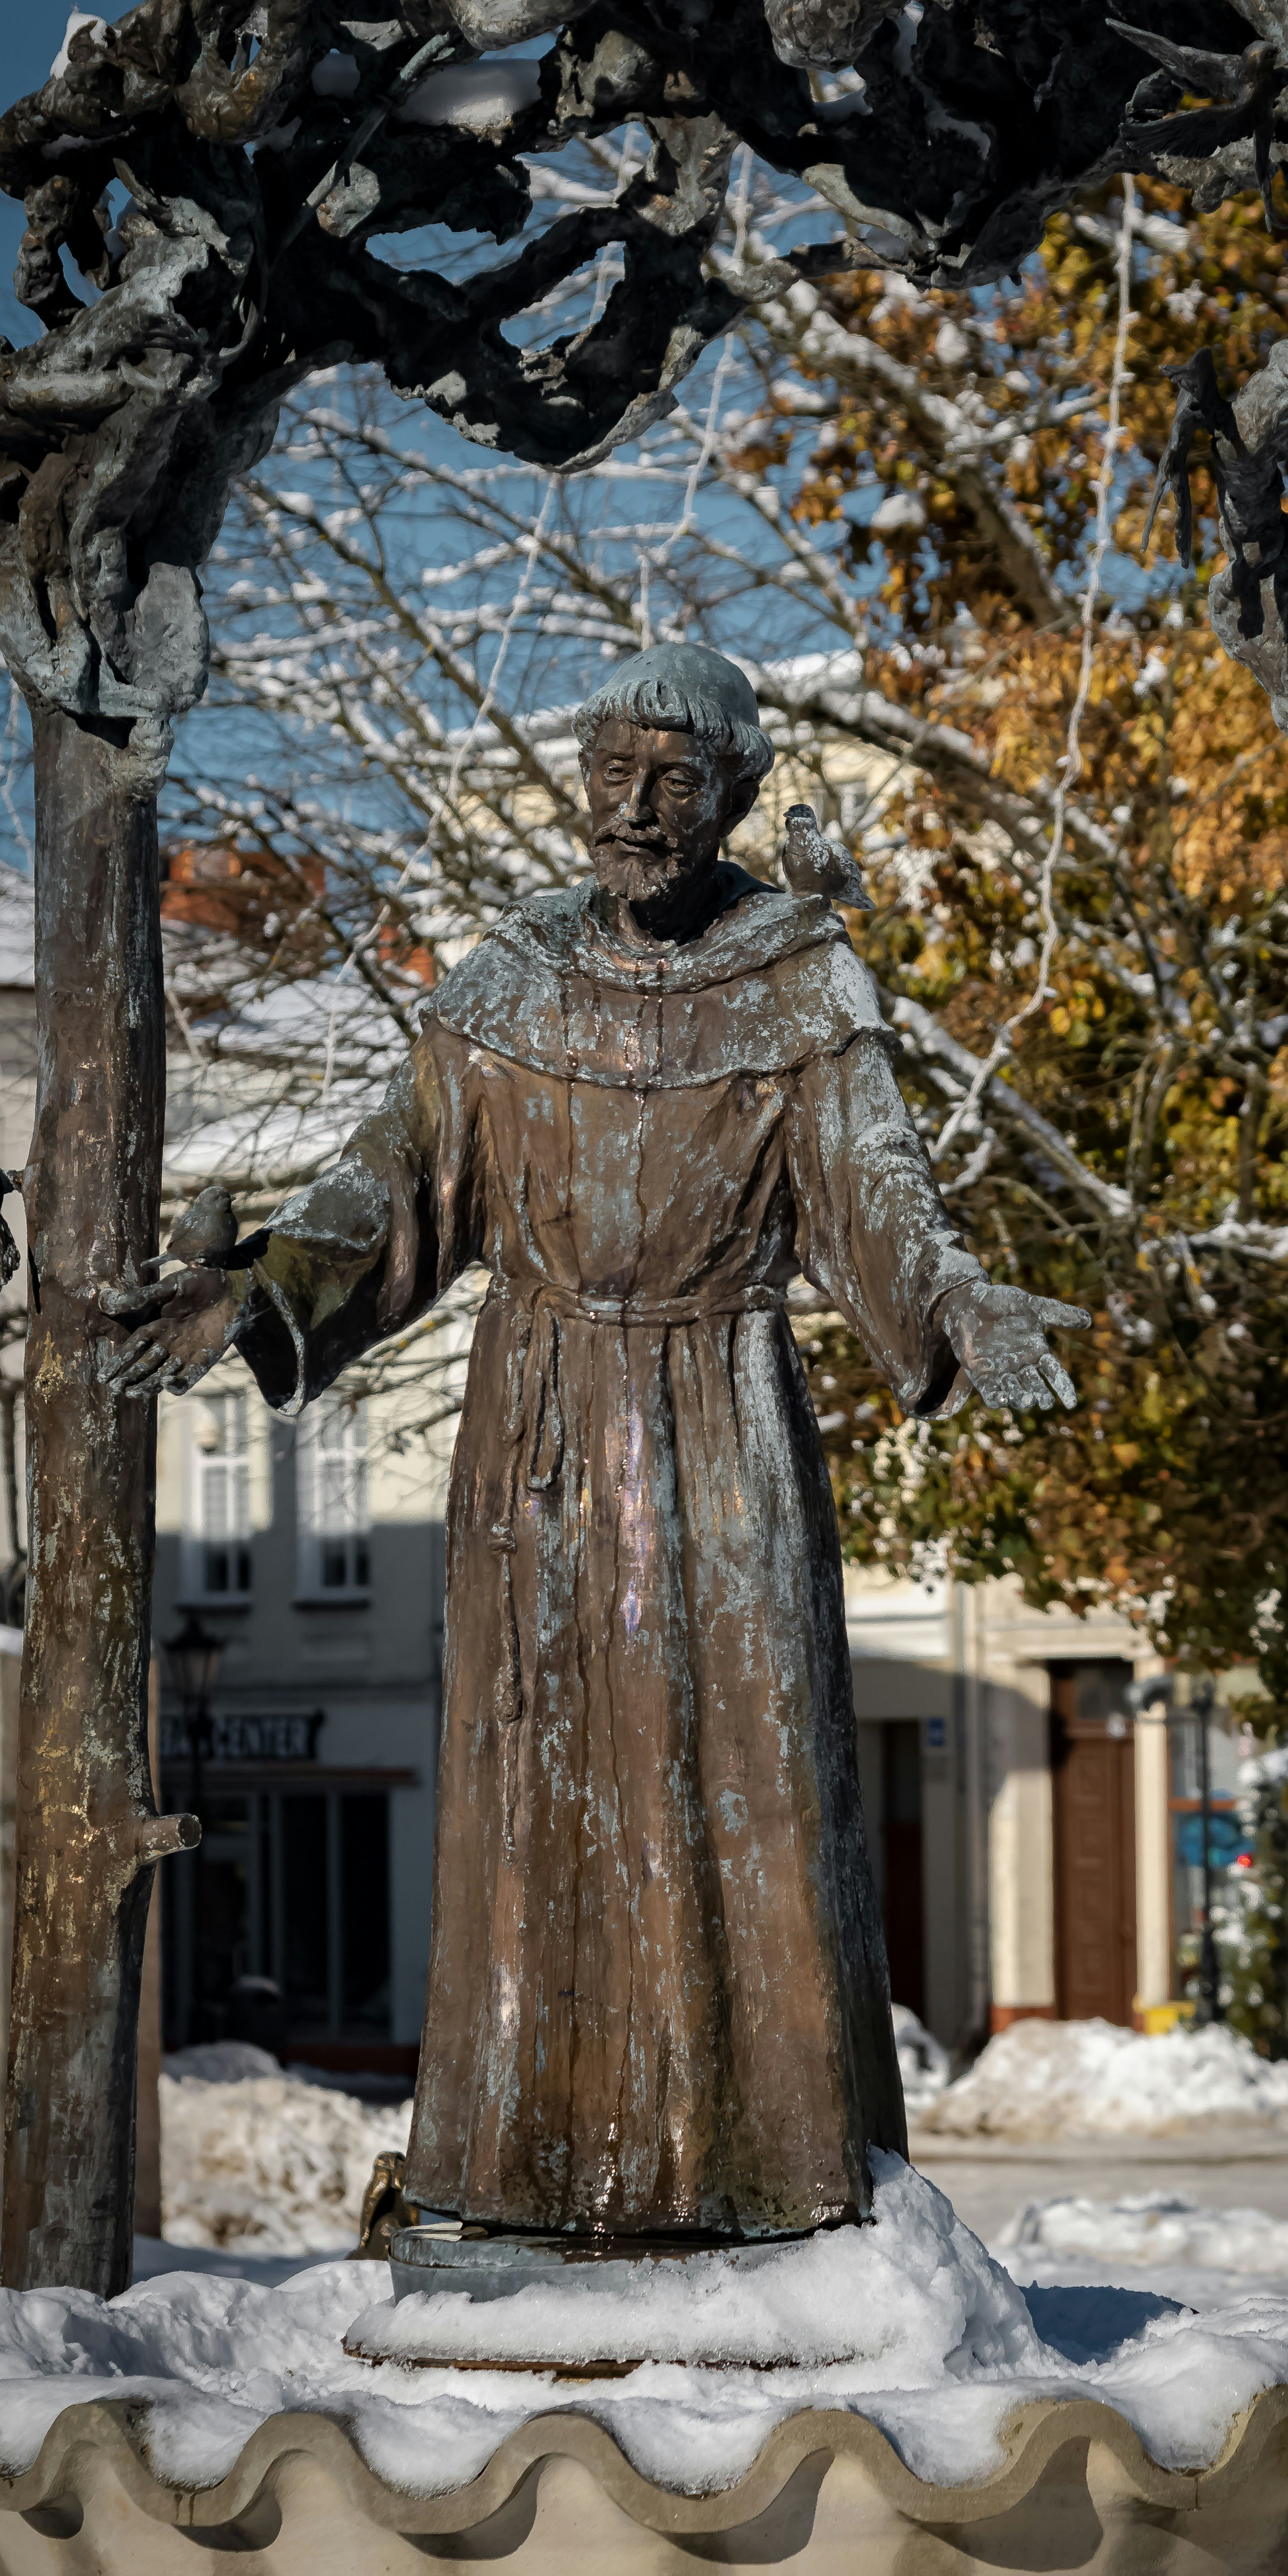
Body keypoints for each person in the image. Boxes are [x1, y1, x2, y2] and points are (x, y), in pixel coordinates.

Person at [108, 642, 1082, 2241]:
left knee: (745, 1788)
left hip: (724, 1429)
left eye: (674, 780)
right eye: (611, 774)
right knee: (535, 1801)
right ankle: (524, 2177)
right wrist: (267, 1293)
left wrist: (957, 1303)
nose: (635, 810)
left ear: (736, 795)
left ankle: (771, 2182)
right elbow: (396, 1187)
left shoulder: (801, 982)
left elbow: (876, 1192)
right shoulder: (502, 987)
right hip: (538, 1436)